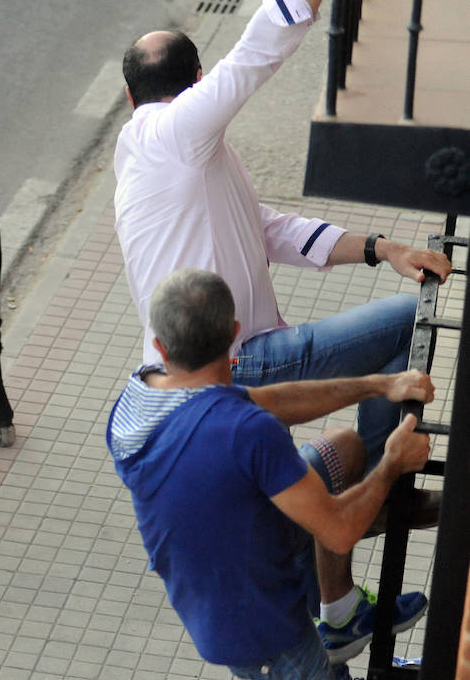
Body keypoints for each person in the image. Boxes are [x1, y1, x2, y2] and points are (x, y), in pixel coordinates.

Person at [113, 0, 448, 658]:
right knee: (408, 319)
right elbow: (258, 50)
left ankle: (343, 606)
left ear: (127, 96)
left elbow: (268, 228)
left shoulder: (182, 156)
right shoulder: (174, 133)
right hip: (243, 361)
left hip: (236, 368)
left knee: (343, 449)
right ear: (197, 85)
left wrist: (382, 248)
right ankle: (390, 495)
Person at [107, 269, 433, 678]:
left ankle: (341, 614)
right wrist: (392, 463)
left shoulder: (138, 395)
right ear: (235, 334)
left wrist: (377, 385)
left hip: (223, 567)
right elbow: (338, 529)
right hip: (259, 629)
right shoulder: (244, 432)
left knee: (344, 449)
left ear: (159, 345)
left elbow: (268, 400)